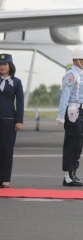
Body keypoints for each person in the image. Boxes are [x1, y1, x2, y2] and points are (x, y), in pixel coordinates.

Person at [56, 47, 83, 187]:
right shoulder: (71, 74)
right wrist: (60, 115)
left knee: (78, 144)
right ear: (76, 60)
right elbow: (65, 95)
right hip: (73, 111)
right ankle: (68, 176)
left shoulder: (80, 74)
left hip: (81, 112)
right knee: (71, 144)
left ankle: (73, 173)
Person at [0, 53, 24, 188]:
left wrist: (19, 120)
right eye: (0, 64)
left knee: (7, 149)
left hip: (9, 120)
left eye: (5, 64)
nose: (2, 67)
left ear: (10, 65)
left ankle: (5, 179)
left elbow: (20, 102)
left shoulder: (16, 82)